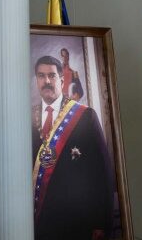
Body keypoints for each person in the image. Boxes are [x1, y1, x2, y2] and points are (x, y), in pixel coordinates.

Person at [32, 55, 113, 240]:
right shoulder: (25, 118)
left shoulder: (85, 117)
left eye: (52, 76)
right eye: (41, 76)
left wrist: (101, 222)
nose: (46, 81)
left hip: (77, 220)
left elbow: (102, 173)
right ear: (36, 80)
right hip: (38, 220)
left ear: (61, 80)